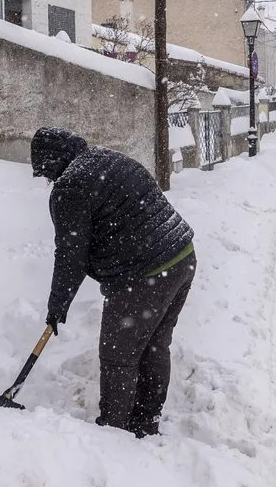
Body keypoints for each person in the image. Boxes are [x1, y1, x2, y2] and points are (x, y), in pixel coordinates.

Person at [31, 126, 196, 438]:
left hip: (144, 275)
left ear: (53, 162)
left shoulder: (70, 186)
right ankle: (145, 425)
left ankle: (112, 436)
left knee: (118, 356)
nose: (48, 181)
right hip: (181, 257)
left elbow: (71, 254)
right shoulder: (108, 158)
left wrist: (57, 306)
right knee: (154, 346)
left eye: (45, 173)